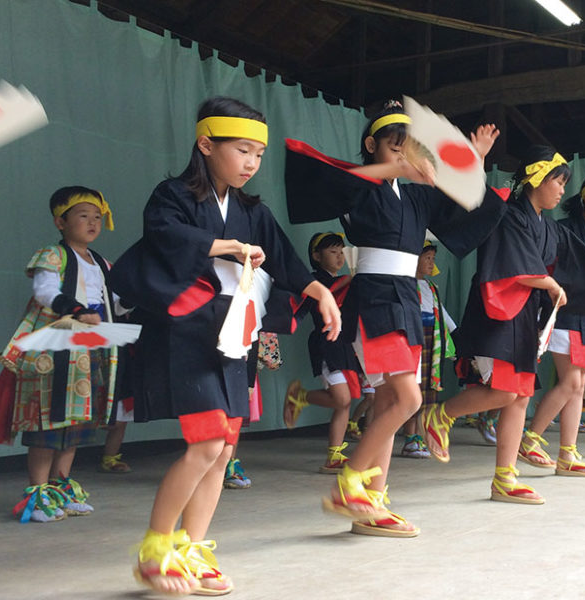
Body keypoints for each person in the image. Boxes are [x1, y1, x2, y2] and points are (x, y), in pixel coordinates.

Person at [111, 96, 341, 596]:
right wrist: (225, 247)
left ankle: (191, 550)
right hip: (186, 332)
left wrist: (319, 290)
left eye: (259, 153)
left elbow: (283, 258)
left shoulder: (250, 210)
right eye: (242, 150)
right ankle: (156, 549)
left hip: (233, 336)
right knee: (208, 441)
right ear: (206, 144)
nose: (252, 163)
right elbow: (163, 234)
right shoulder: (171, 195)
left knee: (224, 449)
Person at [286, 100, 506, 537]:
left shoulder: (417, 194)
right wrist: (397, 170)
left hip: (405, 295)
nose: (406, 156)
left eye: (412, 148)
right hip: (374, 296)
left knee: (389, 401)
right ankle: (351, 481)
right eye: (395, 146)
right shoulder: (360, 185)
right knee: (408, 400)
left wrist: (475, 161)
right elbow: (340, 182)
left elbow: (462, 205)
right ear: (372, 145)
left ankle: (373, 500)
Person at [422, 146, 585, 503]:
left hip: (526, 316)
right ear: (536, 179)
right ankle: (440, 413)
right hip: (499, 313)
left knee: (521, 397)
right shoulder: (510, 215)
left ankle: (504, 478)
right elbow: (515, 264)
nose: (562, 190)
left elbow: (571, 261)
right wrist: (550, 284)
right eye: (557, 182)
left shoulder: (547, 226)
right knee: (505, 392)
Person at [0, 186, 125, 522]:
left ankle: (61, 487)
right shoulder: (53, 255)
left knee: (76, 421)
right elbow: (45, 291)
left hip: (88, 352)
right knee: (48, 419)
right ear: (60, 222)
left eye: (97, 217)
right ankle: (38, 493)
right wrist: (73, 309)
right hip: (56, 352)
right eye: (82, 216)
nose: (92, 223)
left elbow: (115, 302)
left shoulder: (103, 263)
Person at [518, 174, 585, 477]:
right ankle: (531, 438)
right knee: (572, 383)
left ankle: (567, 452)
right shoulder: (562, 230)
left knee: (579, 386)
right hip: (562, 313)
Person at [284, 231, 363, 473]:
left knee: (344, 403)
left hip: (345, 344)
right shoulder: (315, 281)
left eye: (342, 252)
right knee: (342, 399)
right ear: (317, 256)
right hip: (326, 343)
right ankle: (300, 397)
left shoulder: (344, 280)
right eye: (333, 251)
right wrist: (352, 278)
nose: (339, 256)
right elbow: (331, 289)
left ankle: (334, 456)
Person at [400, 240, 457, 458]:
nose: (431, 262)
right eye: (427, 258)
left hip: (432, 341)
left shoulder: (431, 287)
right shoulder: (406, 285)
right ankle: (410, 436)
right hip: (414, 338)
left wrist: (456, 333)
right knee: (413, 387)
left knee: (427, 389)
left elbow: (442, 314)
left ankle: (421, 435)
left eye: (433, 258)